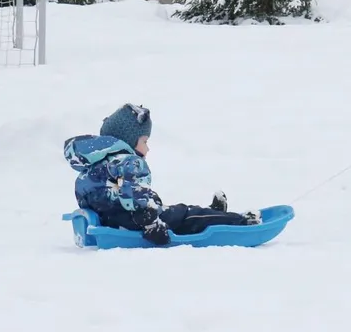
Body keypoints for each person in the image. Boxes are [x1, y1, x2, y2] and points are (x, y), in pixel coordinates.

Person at [64, 103, 260, 246]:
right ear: (129, 140)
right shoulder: (130, 162)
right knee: (188, 216)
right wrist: (150, 223)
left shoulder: (89, 171)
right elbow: (135, 197)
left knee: (178, 211)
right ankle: (239, 221)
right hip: (137, 221)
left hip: (117, 221)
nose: (147, 149)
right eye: (144, 141)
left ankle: (214, 212)